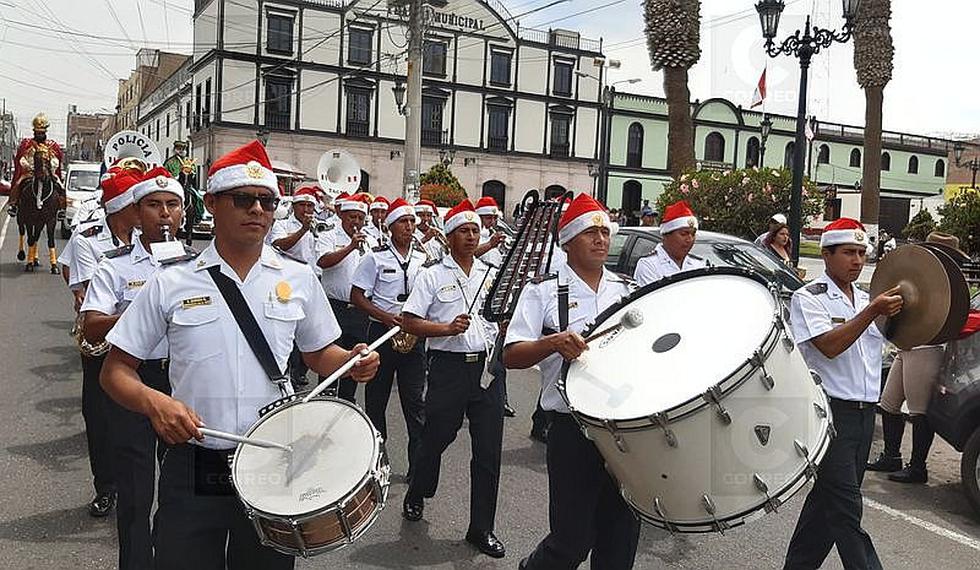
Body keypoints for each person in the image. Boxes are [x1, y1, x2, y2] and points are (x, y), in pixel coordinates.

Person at [99, 140, 380, 570]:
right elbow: (115, 370)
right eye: (243, 199)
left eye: (267, 201)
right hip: (195, 464)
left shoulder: (299, 278)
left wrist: (351, 359)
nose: (257, 210)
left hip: (273, 462)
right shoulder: (171, 282)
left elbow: (320, 352)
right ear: (211, 203)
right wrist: (155, 402)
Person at [505, 193, 640, 570]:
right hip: (572, 428)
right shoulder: (543, 290)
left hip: (625, 429)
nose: (600, 239)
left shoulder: (626, 290)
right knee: (571, 541)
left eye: (604, 232)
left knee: (621, 538)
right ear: (566, 242)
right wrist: (552, 342)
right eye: (589, 233)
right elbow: (511, 354)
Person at [81, 167, 188, 569]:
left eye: (171, 205)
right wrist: (140, 311)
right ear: (136, 213)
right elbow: (92, 323)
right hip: (132, 380)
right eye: (153, 205)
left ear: (182, 214)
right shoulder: (116, 265)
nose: (164, 214)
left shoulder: (197, 266)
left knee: (180, 491)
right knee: (136, 491)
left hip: (180, 381)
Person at [783, 217, 903, 570]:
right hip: (830, 416)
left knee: (826, 507)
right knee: (848, 510)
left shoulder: (868, 299)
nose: (857, 259)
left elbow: (895, 339)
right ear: (826, 254)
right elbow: (830, 346)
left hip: (866, 416)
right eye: (848, 252)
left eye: (862, 252)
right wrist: (871, 312)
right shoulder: (809, 298)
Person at [400, 200, 505, 559]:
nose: (472, 236)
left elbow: (504, 316)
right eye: (464, 230)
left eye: (476, 230)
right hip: (448, 368)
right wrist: (445, 328)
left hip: (488, 369)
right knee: (436, 438)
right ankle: (417, 489)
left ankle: (481, 528)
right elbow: (409, 321)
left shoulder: (490, 273)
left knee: (488, 452)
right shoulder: (432, 275)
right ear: (448, 237)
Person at [70, 164, 144, 518]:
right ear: (121, 209)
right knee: (99, 417)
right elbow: (92, 299)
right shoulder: (88, 240)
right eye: (138, 205)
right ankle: (106, 486)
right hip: (104, 342)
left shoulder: (156, 243)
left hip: (144, 346)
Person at [867, 232, 960, 484]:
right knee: (888, 402)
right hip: (909, 344)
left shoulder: (947, 283)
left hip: (927, 347)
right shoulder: (926, 275)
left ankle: (918, 466)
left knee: (918, 410)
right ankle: (891, 455)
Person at [351, 198, 428, 480]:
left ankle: (416, 467)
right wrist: (383, 316)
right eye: (403, 223)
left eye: (412, 223)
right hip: (382, 334)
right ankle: (377, 464)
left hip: (413, 337)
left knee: (415, 404)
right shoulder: (375, 257)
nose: (409, 227)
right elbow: (357, 296)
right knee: (376, 402)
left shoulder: (423, 260)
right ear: (391, 227)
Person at [317, 192, 375, 402]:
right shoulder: (329, 235)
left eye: (360, 218)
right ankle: (325, 399)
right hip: (335, 307)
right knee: (330, 357)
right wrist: (350, 246)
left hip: (359, 309)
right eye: (352, 217)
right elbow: (323, 261)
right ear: (342, 216)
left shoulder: (369, 241)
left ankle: (346, 401)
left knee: (354, 359)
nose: (356, 222)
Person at [267, 185, 324, 388]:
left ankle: (300, 371)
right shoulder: (282, 224)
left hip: (312, 283)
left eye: (310, 206)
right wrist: (302, 231)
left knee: (311, 332)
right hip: (286, 284)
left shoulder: (319, 225)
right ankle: (289, 371)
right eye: (303, 205)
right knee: (288, 328)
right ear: (294, 206)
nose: (307, 209)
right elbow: (278, 245)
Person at [473, 196, 514, 417]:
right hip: (474, 291)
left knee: (498, 351)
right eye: (487, 217)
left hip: (494, 289)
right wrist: (490, 244)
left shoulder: (495, 236)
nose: (491, 221)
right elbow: (467, 255)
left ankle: (500, 398)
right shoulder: (474, 234)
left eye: (493, 217)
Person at [633, 200, 707, 286]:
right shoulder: (649, 265)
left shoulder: (698, 265)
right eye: (684, 234)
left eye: (693, 234)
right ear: (666, 235)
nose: (689, 239)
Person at [7, 113, 64, 217]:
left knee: (61, 186)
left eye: (42, 133)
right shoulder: (27, 144)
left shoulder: (52, 145)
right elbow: (22, 159)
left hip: (48, 172)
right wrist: (28, 167)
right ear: (34, 132)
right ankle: (14, 205)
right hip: (30, 172)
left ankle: (61, 209)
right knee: (18, 183)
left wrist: (50, 168)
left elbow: (56, 161)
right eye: (38, 133)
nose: (40, 135)